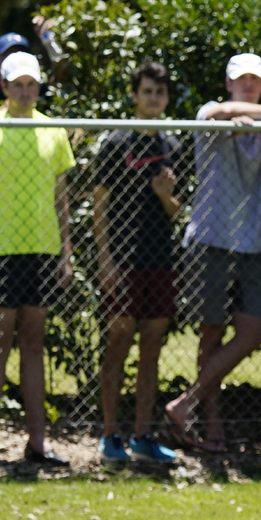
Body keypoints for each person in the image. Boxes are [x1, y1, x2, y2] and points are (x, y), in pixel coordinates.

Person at [163, 53, 261, 452]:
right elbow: (221, 112)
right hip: (210, 239)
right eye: (241, 80)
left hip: (251, 244)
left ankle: (186, 402)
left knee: (252, 332)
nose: (248, 85)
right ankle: (211, 427)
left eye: (255, 81)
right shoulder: (212, 114)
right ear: (228, 83)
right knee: (211, 333)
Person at [0, 51, 76, 466]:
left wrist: (66, 251)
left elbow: (62, 198)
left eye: (32, 85)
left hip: (43, 252)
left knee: (32, 344)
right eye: (18, 85)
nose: (26, 92)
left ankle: (38, 442)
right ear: (5, 87)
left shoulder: (53, 132)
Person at [93, 62, 183, 465]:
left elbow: (176, 211)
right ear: (134, 95)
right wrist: (105, 260)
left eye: (160, 93)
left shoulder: (175, 146)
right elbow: (99, 206)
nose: (154, 98)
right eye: (147, 91)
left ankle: (143, 436)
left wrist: (166, 196)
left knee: (151, 351)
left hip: (160, 261)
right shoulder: (115, 143)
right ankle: (111, 435)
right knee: (118, 344)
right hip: (123, 262)